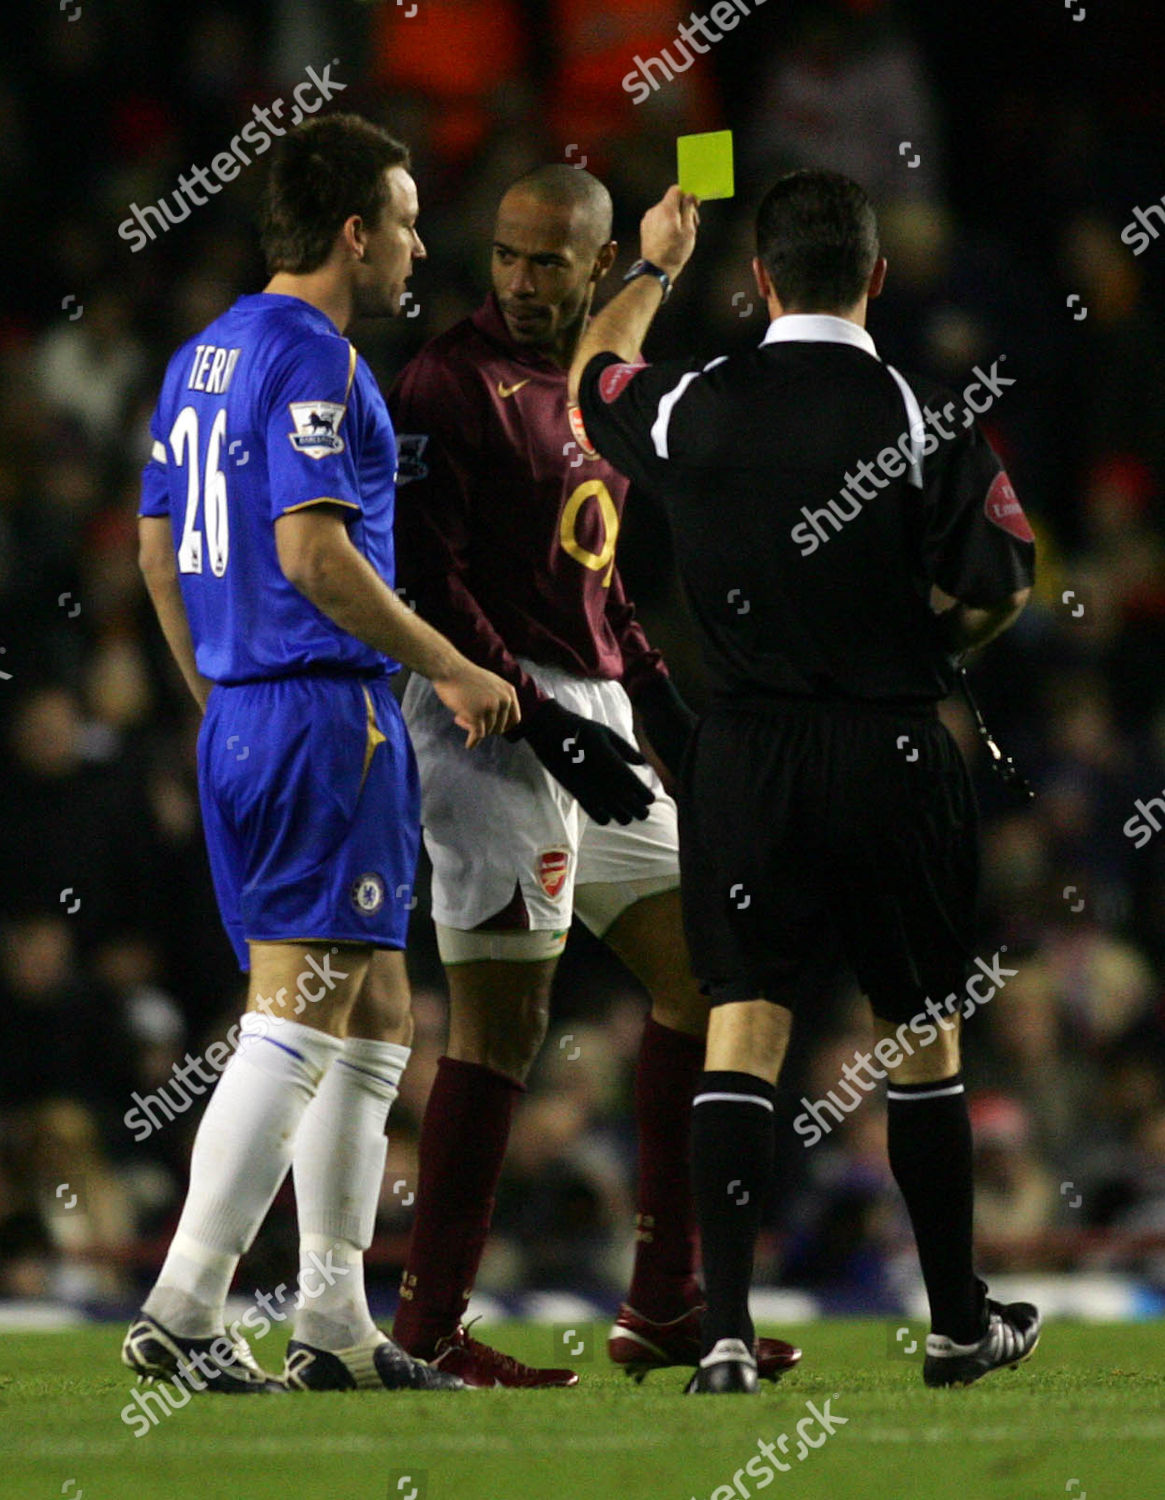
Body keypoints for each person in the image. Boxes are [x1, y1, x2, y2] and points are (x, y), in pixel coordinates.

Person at [569, 168, 1041, 1393]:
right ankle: (952, 1325)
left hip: (746, 756)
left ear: (761, 279)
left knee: (744, 1028)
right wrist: (924, 648)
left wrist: (651, 269)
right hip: (889, 748)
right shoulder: (918, 410)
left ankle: (721, 1333)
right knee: (919, 1037)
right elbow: (1002, 582)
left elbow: (588, 387)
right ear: (876, 279)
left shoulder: (700, 402)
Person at [387, 164, 801, 1387]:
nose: (518, 281)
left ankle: (664, 1301)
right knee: (503, 1027)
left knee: (707, 968)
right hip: (481, 716)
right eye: (505, 255)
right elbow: (423, 575)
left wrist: (658, 695)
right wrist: (540, 723)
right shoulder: (441, 386)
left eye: (546, 262)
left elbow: (598, 568)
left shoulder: (585, 391)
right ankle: (429, 1325)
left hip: (593, 703)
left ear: (594, 263)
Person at [125, 113, 518, 1396]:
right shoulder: (320, 365)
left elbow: (153, 551)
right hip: (316, 712)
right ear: (355, 232)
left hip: (247, 713)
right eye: (403, 221)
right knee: (296, 1009)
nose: (417, 245)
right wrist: (450, 665)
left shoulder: (202, 357)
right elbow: (312, 555)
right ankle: (186, 1304)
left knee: (377, 1004)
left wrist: (217, 698)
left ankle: (336, 1320)